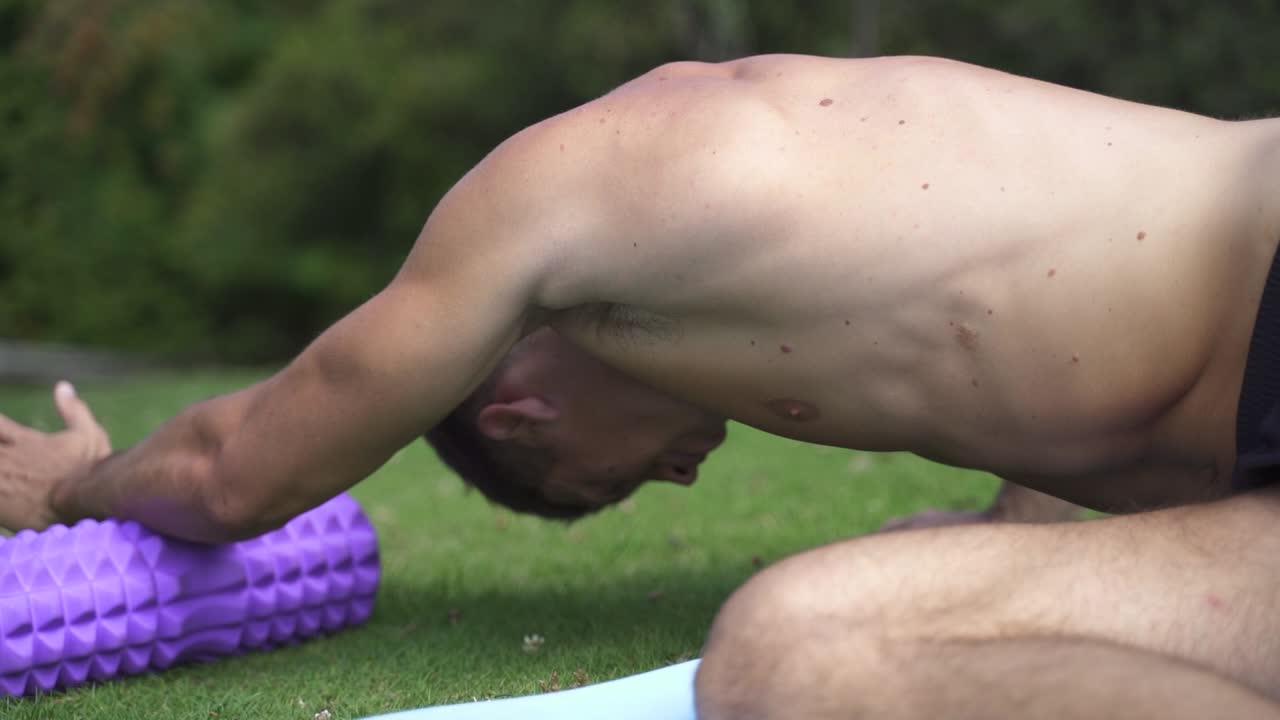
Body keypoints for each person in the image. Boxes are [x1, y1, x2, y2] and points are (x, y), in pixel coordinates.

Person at [3, 53, 1280, 717]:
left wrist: (75, 485)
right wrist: (1012, 534)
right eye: (655, 480)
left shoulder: (564, 189)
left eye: (622, 477)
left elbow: (239, 470)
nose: (687, 467)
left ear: (519, 412)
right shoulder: (822, 191)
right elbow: (1033, 295)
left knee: (799, 646)